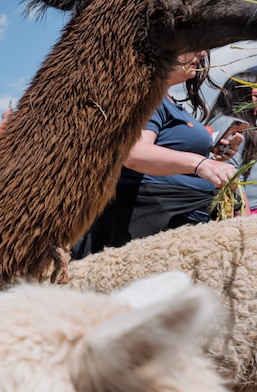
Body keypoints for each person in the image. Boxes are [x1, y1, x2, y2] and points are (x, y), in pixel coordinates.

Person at [79, 51, 243, 255]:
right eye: (195, 45)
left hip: (182, 221)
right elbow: (134, 153)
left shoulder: (167, 101)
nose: (202, 53)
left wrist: (213, 157)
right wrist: (201, 164)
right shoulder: (145, 95)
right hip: (153, 224)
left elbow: (167, 152)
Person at [205, 67, 257, 212]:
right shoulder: (232, 125)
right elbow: (230, 173)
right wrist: (244, 212)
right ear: (240, 96)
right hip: (245, 209)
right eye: (255, 96)